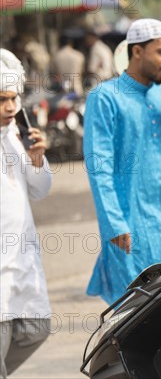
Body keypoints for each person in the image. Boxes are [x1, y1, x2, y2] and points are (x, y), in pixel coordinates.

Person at [83, 19, 161, 304]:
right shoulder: (105, 96)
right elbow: (99, 166)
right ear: (137, 52)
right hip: (128, 223)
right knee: (133, 308)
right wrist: (113, 223)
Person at [0, 49, 52, 378]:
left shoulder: (15, 137)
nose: (9, 107)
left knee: (37, 327)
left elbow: (39, 190)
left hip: (22, 263)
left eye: (13, 98)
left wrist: (36, 160)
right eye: (1, 99)